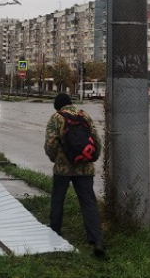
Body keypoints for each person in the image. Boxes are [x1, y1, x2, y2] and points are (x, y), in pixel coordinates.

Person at [44, 93, 106, 258]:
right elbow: (96, 140)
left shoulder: (56, 118)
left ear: (58, 106)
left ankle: (55, 231)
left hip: (63, 169)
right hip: (85, 168)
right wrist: (91, 157)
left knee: (58, 199)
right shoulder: (84, 115)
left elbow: (50, 144)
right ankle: (97, 240)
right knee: (88, 202)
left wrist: (55, 159)